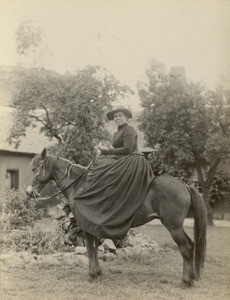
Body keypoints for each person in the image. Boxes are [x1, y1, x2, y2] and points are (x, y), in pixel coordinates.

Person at [74, 106, 154, 239]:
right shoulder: (117, 132)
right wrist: (104, 153)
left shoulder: (129, 129)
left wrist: (107, 151)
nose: (117, 118)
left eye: (120, 115)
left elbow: (127, 149)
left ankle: (113, 205)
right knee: (99, 164)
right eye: (115, 116)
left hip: (133, 160)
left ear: (126, 117)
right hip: (123, 159)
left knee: (105, 171)